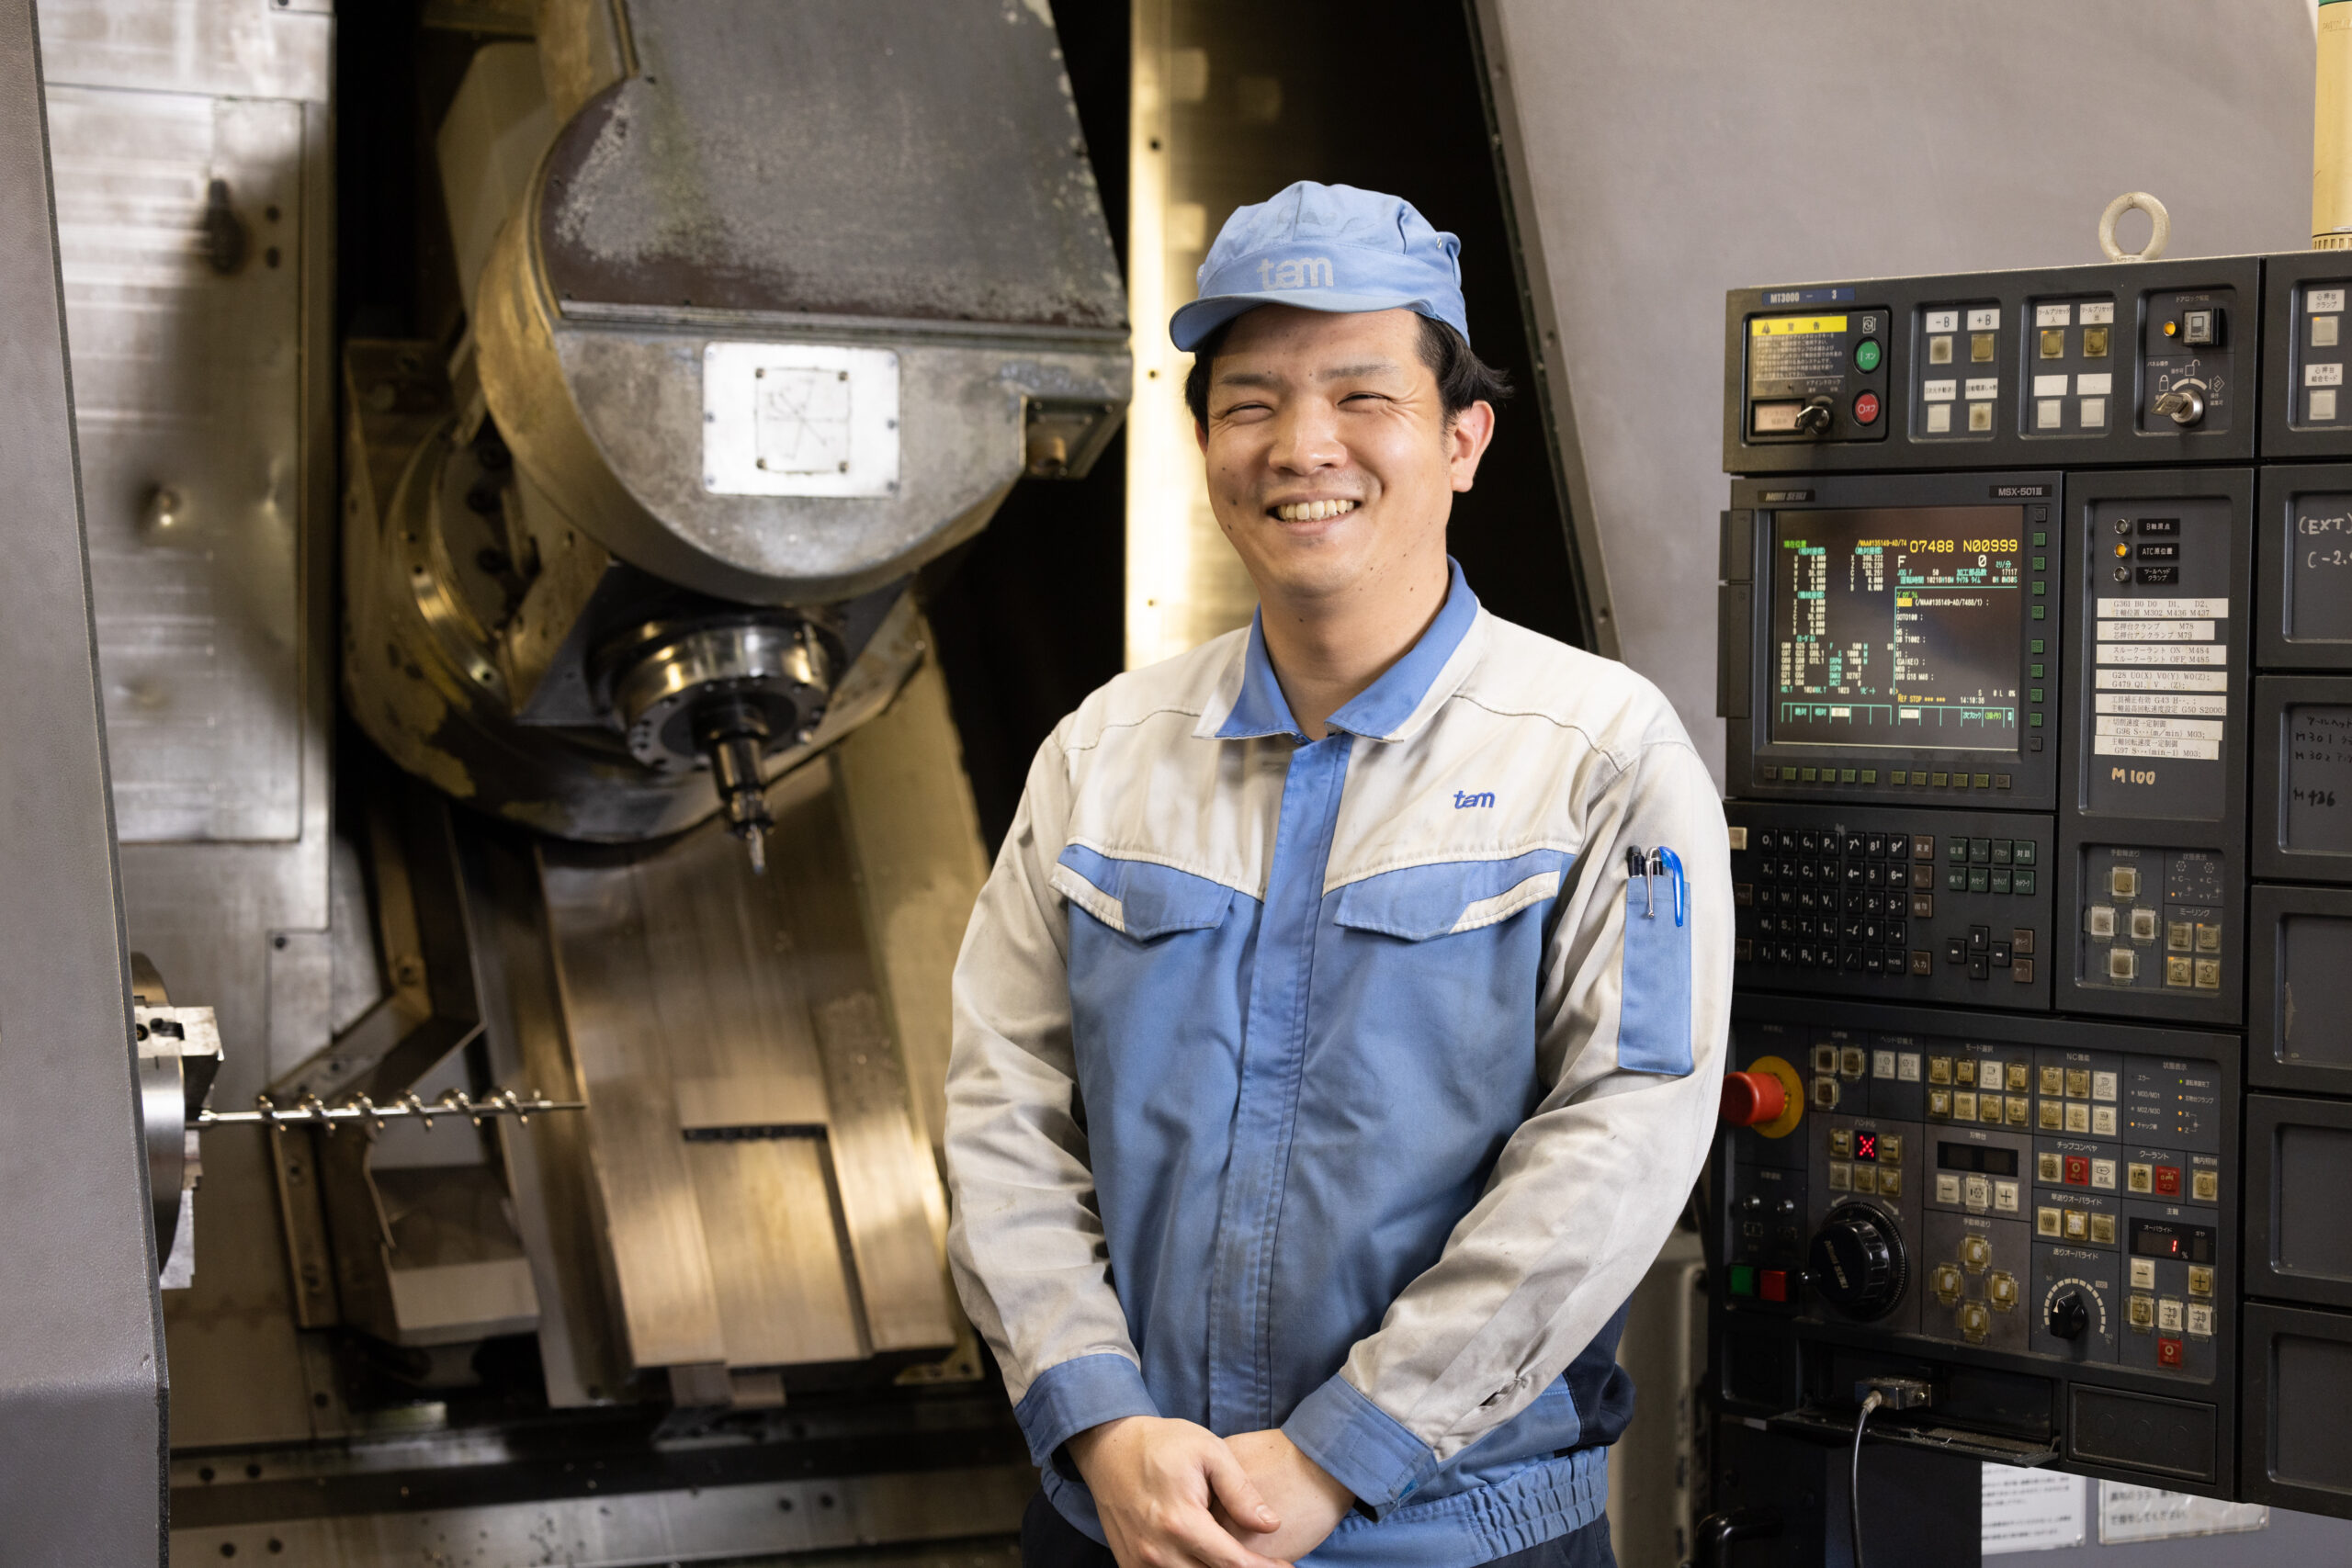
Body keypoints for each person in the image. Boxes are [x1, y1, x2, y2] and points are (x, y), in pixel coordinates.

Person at [944, 181, 1731, 1568]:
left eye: (1363, 396)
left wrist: (1343, 1450)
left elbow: (1620, 1143)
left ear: (1464, 440)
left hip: (1452, 1542)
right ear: (1207, 445)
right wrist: (1098, 1420)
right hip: (1121, 1527)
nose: (1303, 446)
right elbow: (1003, 1112)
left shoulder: (1598, 757)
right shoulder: (1102, 756)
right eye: (1250, 403)